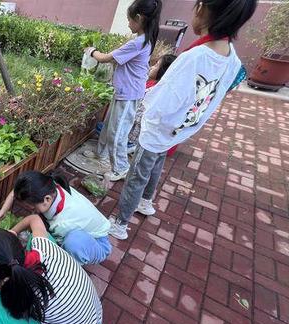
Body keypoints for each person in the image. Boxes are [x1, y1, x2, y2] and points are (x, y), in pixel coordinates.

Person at [108, 0, 257, 240]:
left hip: (159, 128)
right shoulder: (233, 59)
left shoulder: (195, 57)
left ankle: (120, 223)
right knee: (156, 164)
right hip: (181, 128)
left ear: (205, 10)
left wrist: (144, 103)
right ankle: (146, 202)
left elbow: (162, 99)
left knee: (137, 174)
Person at [84, 0, 162, 181]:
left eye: (129, 20)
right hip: (124, 91)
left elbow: (104, 58)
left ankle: (121, 167)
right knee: (108, 125)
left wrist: (91, 50)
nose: (128, 24)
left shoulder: (138, 43)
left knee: (117, 132)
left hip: (129, 94)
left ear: (139, 18)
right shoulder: (144, 40)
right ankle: (101, 154)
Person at [0, 171, 111, 265]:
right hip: (86, 228)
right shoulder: (49, 185)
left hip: (97, 243)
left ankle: (73, 266)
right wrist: (1, 213)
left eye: (31, 206)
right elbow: (15, 193)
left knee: (71, 243)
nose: (30, 209)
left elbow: (46, 247)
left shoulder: (62, 224)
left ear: (47, 199)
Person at [127, 54, 177, 145]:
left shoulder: (153, 91)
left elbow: (137, 115)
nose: (151, 67)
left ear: (163, 71)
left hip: (134, 138)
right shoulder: (155, 86)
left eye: (156, 65)